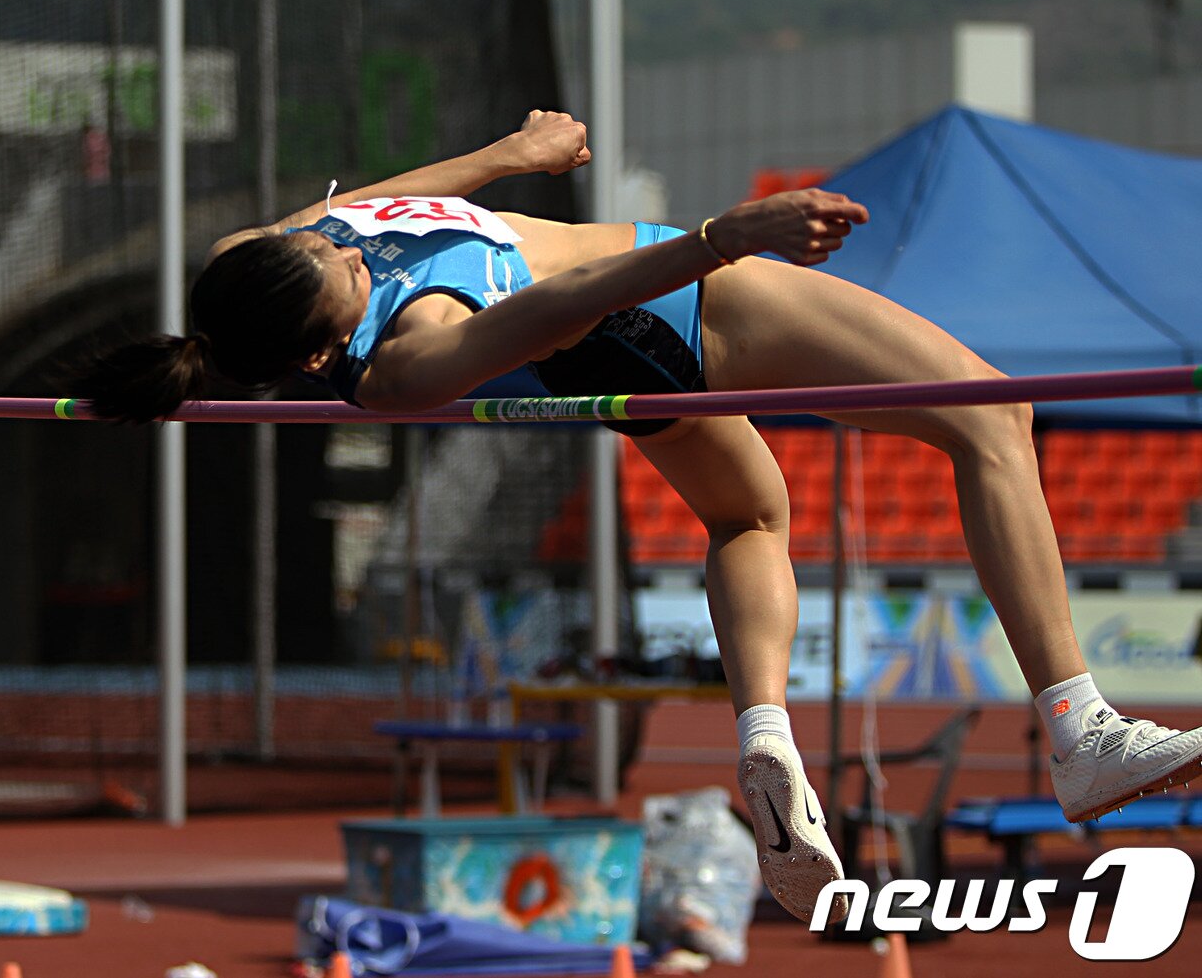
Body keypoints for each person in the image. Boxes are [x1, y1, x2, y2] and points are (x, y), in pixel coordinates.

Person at [73, 111, 1202, 923]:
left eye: (311, 244)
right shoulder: (405, 360)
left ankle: (764, 740)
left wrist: (506, 158)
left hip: (616, 343)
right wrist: (725, 237)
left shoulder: (249, 270)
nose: (328, 243)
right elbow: (573, 297)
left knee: (751, 518)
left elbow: (359, 209)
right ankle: (1080, 732)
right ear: (319, 353)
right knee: (990, 415)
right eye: (329, 270)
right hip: (655, 300)